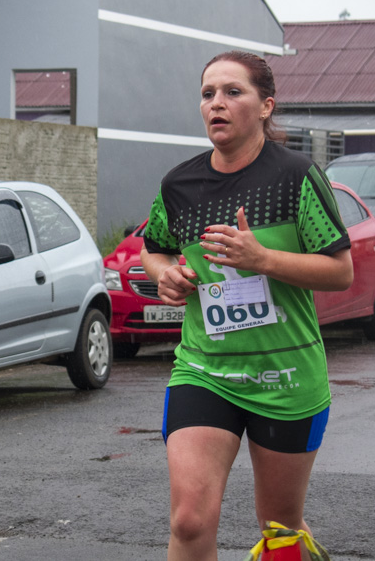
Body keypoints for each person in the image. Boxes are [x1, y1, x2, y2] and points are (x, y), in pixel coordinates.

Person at [140, 51, 353, 560]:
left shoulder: (297, 176)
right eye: (208, 93)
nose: (217, 103)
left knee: (280, 528)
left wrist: (263, 258)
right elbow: (154, 246)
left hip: (284, 374)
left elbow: (341, 271)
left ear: (265, 106)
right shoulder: (179, 184)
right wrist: (166, 274)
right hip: (204, 369)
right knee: (189, 520)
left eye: (233, 92)